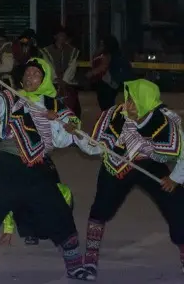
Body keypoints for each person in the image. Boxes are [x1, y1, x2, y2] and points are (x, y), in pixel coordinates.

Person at [0, 58, 88, 279]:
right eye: (27, 73)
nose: (29, 77)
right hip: (7, 164)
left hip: (38, 168)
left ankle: (75, 265)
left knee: (58, 213)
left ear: (45, 79)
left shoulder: (54, 106)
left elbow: (62, 141)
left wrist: (68, 128)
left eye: (36, 74)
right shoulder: (12, 97)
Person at [75, 78, 184, 276]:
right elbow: (93, 146)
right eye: (127, 99)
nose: (127, 104)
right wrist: (77, 134)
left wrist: (175, 178)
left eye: (133, 100)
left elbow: (181, 151)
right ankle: (90, 258)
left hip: (149, 166)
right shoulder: (114, 115)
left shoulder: (164, 121)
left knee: (177, 203)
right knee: (100, 209)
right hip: (116, 168)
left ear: (146, 102)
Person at [44, 27, 81, 118]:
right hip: (53, 83)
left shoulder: (72, 51)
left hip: (68, 84)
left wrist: (64, 80)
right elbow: (48, 66)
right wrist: (57, 79)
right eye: (60, 35)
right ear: (55, 36)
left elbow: (72, 67)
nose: (62, 37)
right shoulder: (47, 51)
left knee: (73, 108)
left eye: (64, 35)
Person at [88, 35, 129, 112]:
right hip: (110, 85)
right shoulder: (116, 55)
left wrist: (90, 74)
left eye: (102, 44)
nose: (101, 47)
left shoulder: (109, 56)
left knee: (107, 108)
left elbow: (102, 67)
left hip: (109, 85)